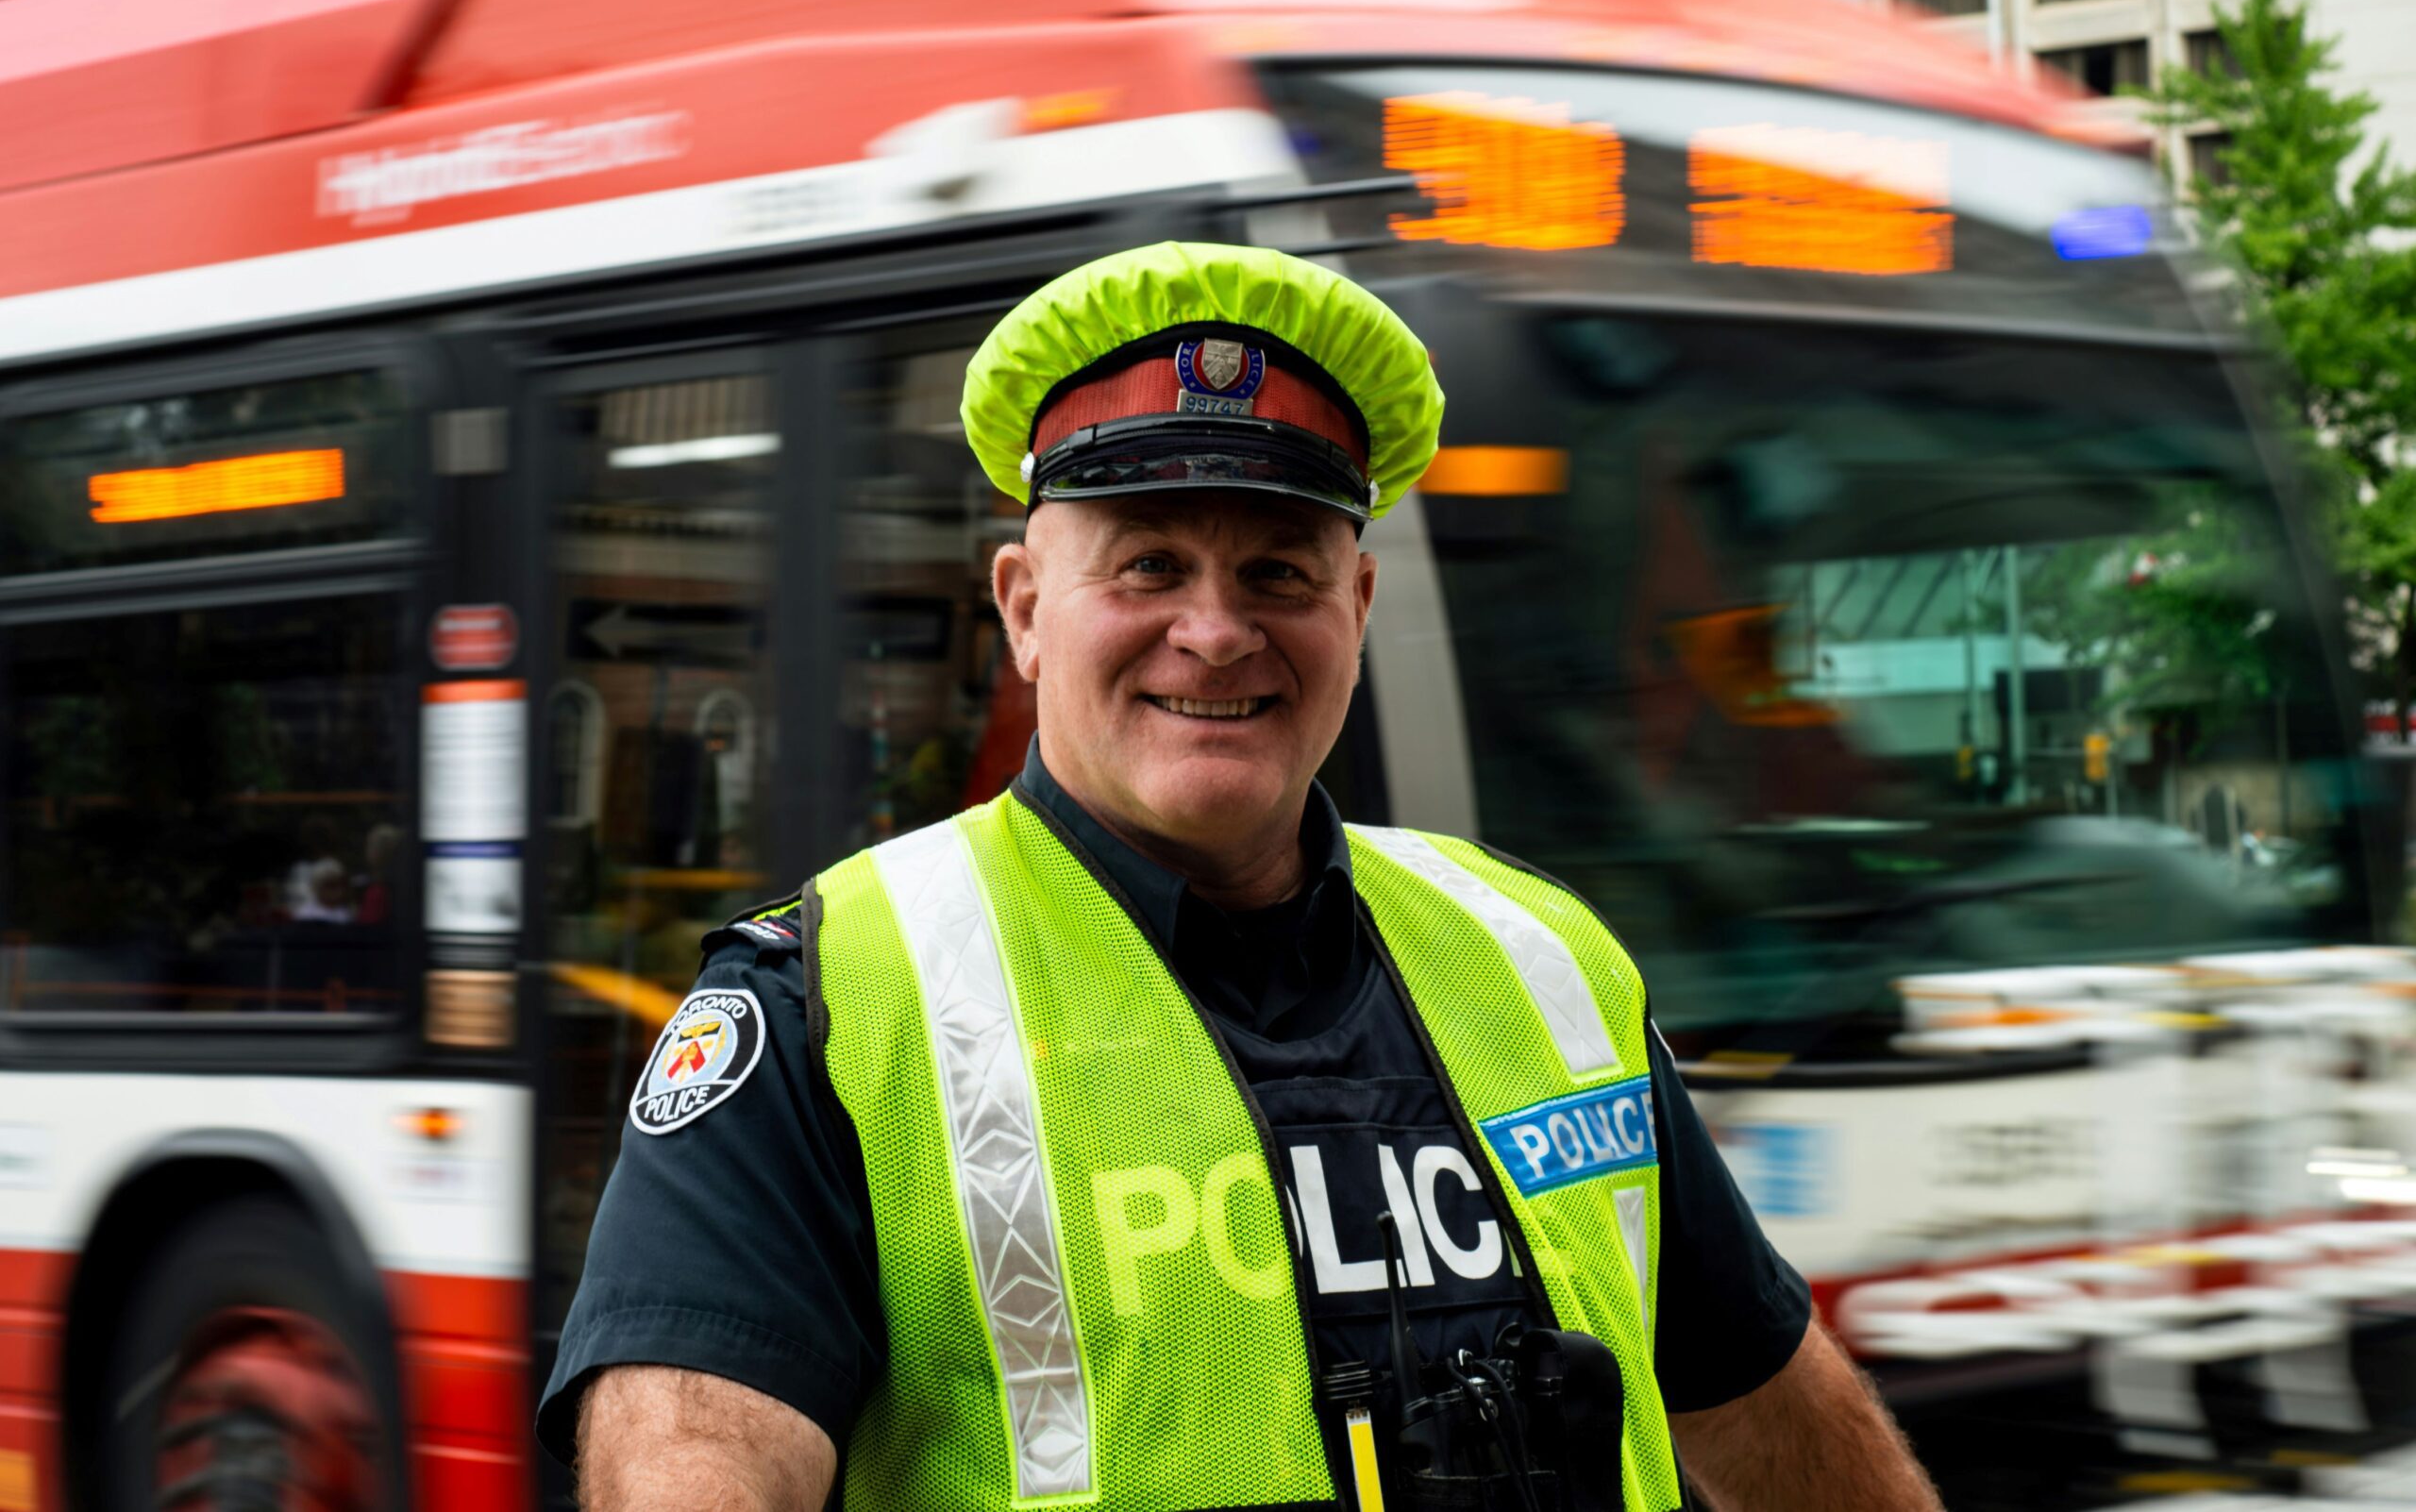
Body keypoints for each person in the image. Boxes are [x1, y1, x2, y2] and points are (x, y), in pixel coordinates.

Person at [539, 243, 1943, 1511]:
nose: (1214, 634)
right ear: (1025, 610)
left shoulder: (1544, 953)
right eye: (1149, 564)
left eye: (1278, 572)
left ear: (1358, 608)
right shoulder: (823, 1011)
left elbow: (1770, 1392)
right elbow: (695, 1462)